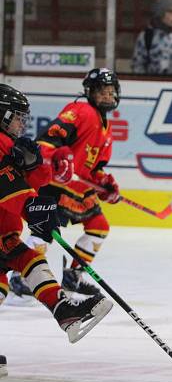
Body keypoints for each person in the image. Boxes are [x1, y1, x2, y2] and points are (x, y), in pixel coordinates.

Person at [0, 83, 113, 355]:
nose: (21, 124)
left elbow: (28, 183)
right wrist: (34, 209)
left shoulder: (9, 144)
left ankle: (64, 311)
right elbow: (8, 186)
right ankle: (64, 310)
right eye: (17, 117)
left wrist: (36, 167)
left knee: (26, 261)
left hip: (4, 233)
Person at [8, 68, 123, 298]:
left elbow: (94, 168)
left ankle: (73, 277)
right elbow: (45, 142)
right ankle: (21, 278)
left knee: (99, 226)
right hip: (57, 184)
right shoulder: (80, 110)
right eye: (102, 92)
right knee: (45, 231)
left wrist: (105, 184)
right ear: (90, 92)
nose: (107, 97)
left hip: (79, 189)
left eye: (111, 92)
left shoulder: (107, 127)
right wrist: (60, 156)